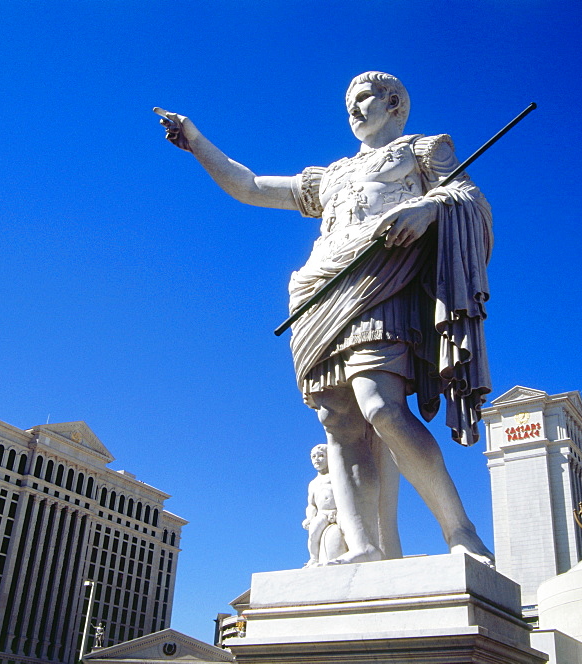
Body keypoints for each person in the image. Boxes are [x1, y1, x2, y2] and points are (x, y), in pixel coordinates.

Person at [156, 72, 493, 564]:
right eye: (348, 103)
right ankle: (365, 548)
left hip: (382, 280)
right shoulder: (329, 175)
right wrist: (194, 140)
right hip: (318, 293)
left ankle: (460, 532)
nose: (354, 110)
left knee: (380, 406)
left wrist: (430, 209)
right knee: (338, 421)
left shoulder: (423, 150)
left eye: (363, 99)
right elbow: (248, 186)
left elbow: (470, 200)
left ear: (394, 103)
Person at [302, 444, 346, 566]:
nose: (317, 459)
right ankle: (314, 558)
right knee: (313, 534)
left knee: (349, 532)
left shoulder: (337, 476)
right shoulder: (313, 483)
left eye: (321, 456)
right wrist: (310, 518)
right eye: (313, 456)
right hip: (322, 513)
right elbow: (311, 504)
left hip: (338, 511)